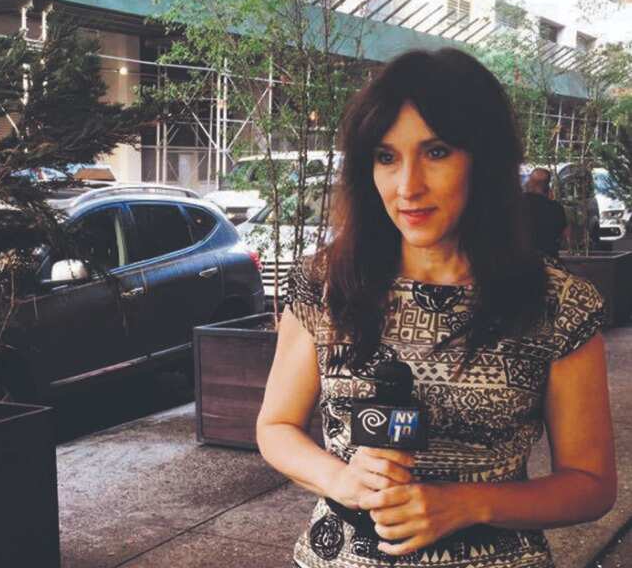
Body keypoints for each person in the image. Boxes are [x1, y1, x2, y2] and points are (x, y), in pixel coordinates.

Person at [256, 48, 615, 567]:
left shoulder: (558, 305)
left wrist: (464, 504)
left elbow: (591, 484)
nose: (408, 187)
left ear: (484, 160)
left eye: (437, 152)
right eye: (386, 157)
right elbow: (276, 427)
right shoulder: (326, 285)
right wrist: (342, 480)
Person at [523, 167, 567, 258]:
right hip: (548, 259)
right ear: (547, 185)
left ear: (532, 183)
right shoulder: (556, 208)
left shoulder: (517, 205)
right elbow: (564, 237)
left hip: (522, 259)